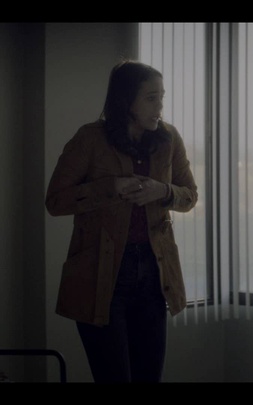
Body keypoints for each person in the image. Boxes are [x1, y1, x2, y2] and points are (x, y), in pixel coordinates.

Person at [45, 59, 198, 383]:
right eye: (151, 98)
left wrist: (162, 190)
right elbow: (56, 201)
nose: (160, 107)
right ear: (126, 100)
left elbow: (190, 196)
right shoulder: (90, 138)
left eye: (162, 97)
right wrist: (109, 187)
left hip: (154, 272)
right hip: (101, 274)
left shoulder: (169, 138)